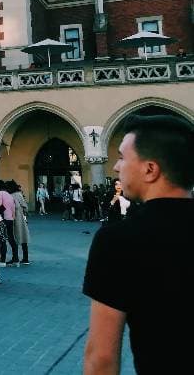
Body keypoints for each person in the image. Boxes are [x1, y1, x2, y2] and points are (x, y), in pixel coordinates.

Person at [83, 114, 194, 373]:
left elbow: (101, 358)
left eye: (122, 157)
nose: (116, 167)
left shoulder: (118, 241)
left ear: (149, 169)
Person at [0, 180, 17, 265]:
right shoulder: (9, 195)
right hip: (10, 218)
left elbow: (0, 205)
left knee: (2, 239)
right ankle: (16, 258)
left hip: (3, 218)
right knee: (11, 238)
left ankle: (2, 260)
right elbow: (13, 209)